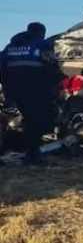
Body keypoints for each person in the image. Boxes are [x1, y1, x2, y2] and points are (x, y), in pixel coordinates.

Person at [0, 22, 61, 166]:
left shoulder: (11, 47)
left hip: (13, 91)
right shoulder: (42, 45)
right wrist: (57, 82)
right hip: (35, 90)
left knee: (26, 121)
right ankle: (33, 155)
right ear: (41, 32)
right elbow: (51, 65)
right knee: (38, 121)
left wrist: (7, 90)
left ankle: (30, 153)